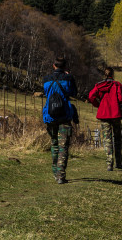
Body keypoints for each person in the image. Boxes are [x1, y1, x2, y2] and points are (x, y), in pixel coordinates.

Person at [42, 56, 78, 184]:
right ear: (65, 67)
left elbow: (46, 93)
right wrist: (70, 76)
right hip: (64, 116)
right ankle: (60, 175)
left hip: (50, 115)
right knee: (64, 146)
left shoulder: (46, 79)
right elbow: (74, 92)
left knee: (54, 143)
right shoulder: (68, 78)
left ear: (54, 65)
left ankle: (54, 171)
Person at [88, 67, 122, 171]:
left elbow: (91, 96)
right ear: (112, 75)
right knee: (117, 138)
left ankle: (109, 163)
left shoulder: (99, 85)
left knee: (107, 139)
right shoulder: (117, 85)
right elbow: (121, 98)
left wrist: (98, 104)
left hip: (104, 114)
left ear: (104, 75)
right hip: (115, 114)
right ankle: (119, 163)